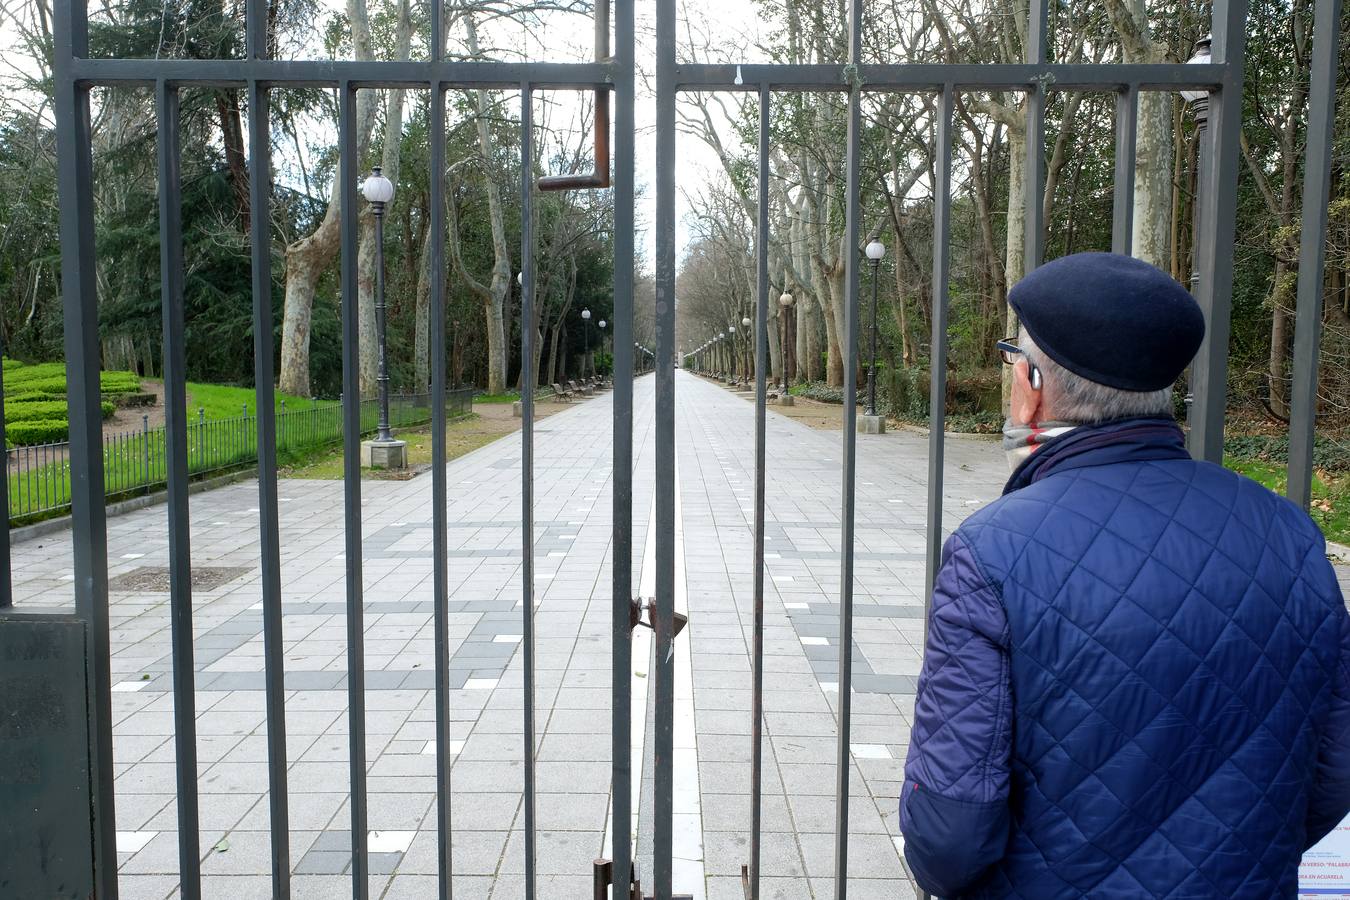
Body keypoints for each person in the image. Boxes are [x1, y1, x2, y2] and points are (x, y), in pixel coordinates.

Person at [899, 252, 1350, 898]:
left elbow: (950, 838)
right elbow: (1331, 775)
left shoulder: (991, 556)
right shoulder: (1292, 538)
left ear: (1033, 387)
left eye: (1010, 363)